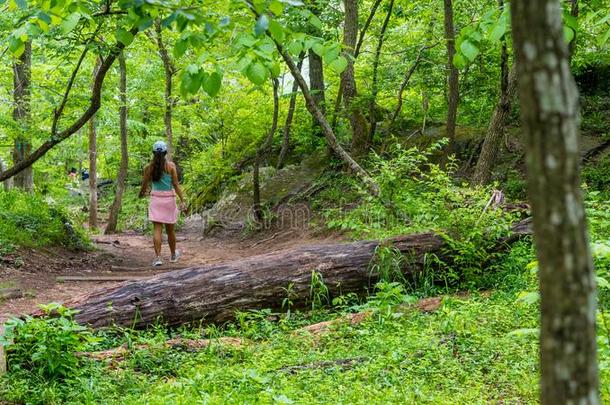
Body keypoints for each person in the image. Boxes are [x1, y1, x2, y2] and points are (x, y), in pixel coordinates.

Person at [139, 140, 186, 266]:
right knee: (170, 230)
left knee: (157, 229)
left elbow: (144, 185)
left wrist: (141, 193)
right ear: (165, 153)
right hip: (169, 199)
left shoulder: (148, 168)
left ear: (153, 153)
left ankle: (158, 258)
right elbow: (175, 185)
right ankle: (172, 256)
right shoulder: (171, 166)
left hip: (155, 199)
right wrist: (182, 200)